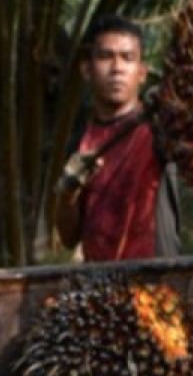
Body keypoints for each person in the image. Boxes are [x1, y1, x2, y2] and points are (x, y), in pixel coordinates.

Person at [55, 15, 180, 262]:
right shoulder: (80, 140)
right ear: (87, 69)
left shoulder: (159, 127)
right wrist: (68, 194)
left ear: (142, 72)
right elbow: (69, 238)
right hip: (101, 287)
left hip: (156, 283)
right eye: (105, 57)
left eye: (127, 58)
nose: (117, 68)